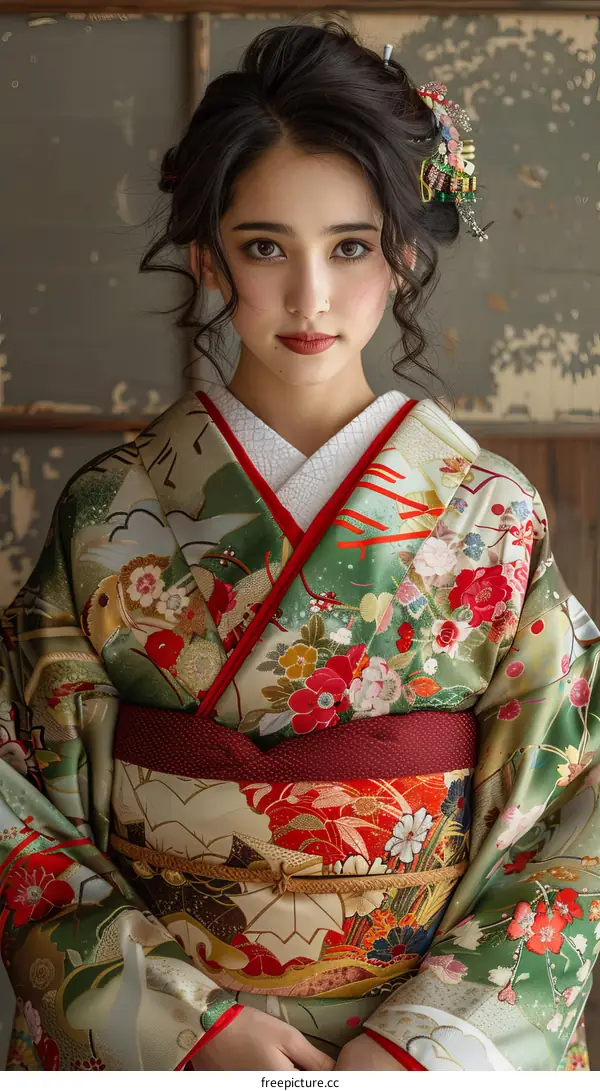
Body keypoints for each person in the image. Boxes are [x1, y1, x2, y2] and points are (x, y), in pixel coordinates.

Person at [0, 19, 597, 1073]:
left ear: (404, 253)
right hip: (176, 1036)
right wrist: (192, 1025)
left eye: (351, 247)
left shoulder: (489, 512)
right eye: (266, 246)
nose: (311, 298)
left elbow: (565, 802)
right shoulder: (108, 509)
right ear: (208, 254)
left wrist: (417, 1048)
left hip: (414, 1036)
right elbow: (24, 800)